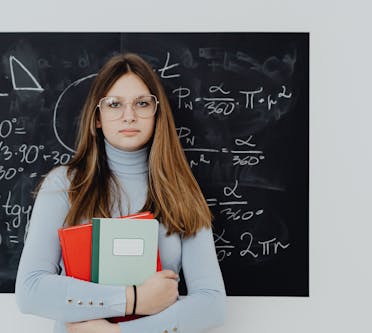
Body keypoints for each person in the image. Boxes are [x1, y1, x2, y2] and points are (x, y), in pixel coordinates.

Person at [15, 53, 226, 333]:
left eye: (142, 103)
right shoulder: (63, 185)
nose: (129, 115)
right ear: (98, 116)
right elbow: (30, 290)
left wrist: (118, 332)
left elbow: (212, 305)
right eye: (115, 104)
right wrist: (133, 299)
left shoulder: (180, 190)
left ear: (156, 112)